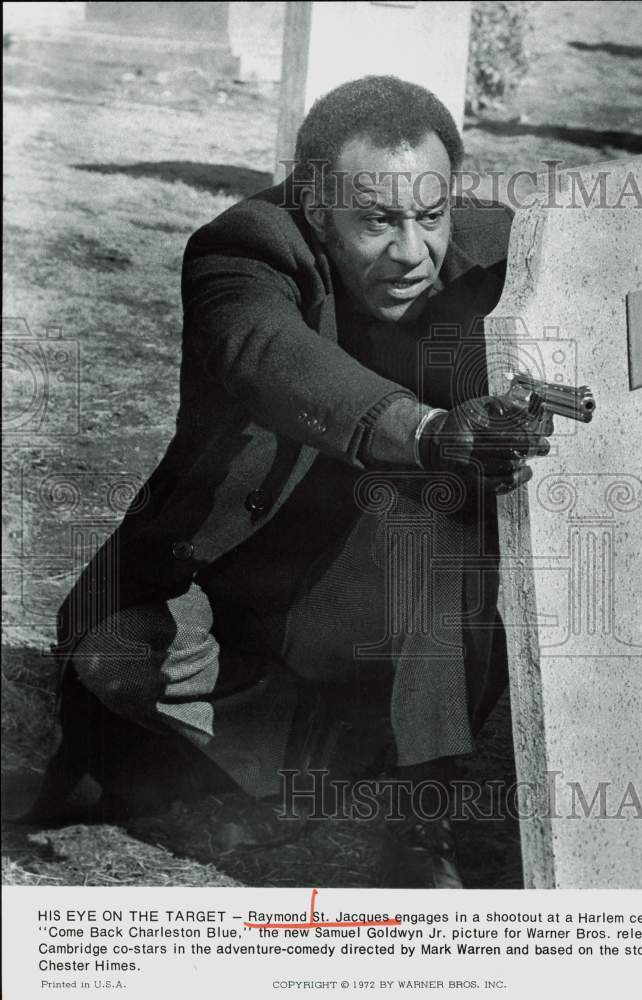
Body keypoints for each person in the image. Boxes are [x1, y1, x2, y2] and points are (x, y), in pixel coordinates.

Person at [24, 76, 552, 888]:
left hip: (404, 589)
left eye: (430, 215)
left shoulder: (509, 252)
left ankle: (416, 819)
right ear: (312, 202)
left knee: (435, 529)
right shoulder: (244, 248)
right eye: (375, 222)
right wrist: (428, 430)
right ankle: (304, 760)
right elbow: (267, 355)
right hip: (244, 565)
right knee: (116, 649)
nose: (411, 252)